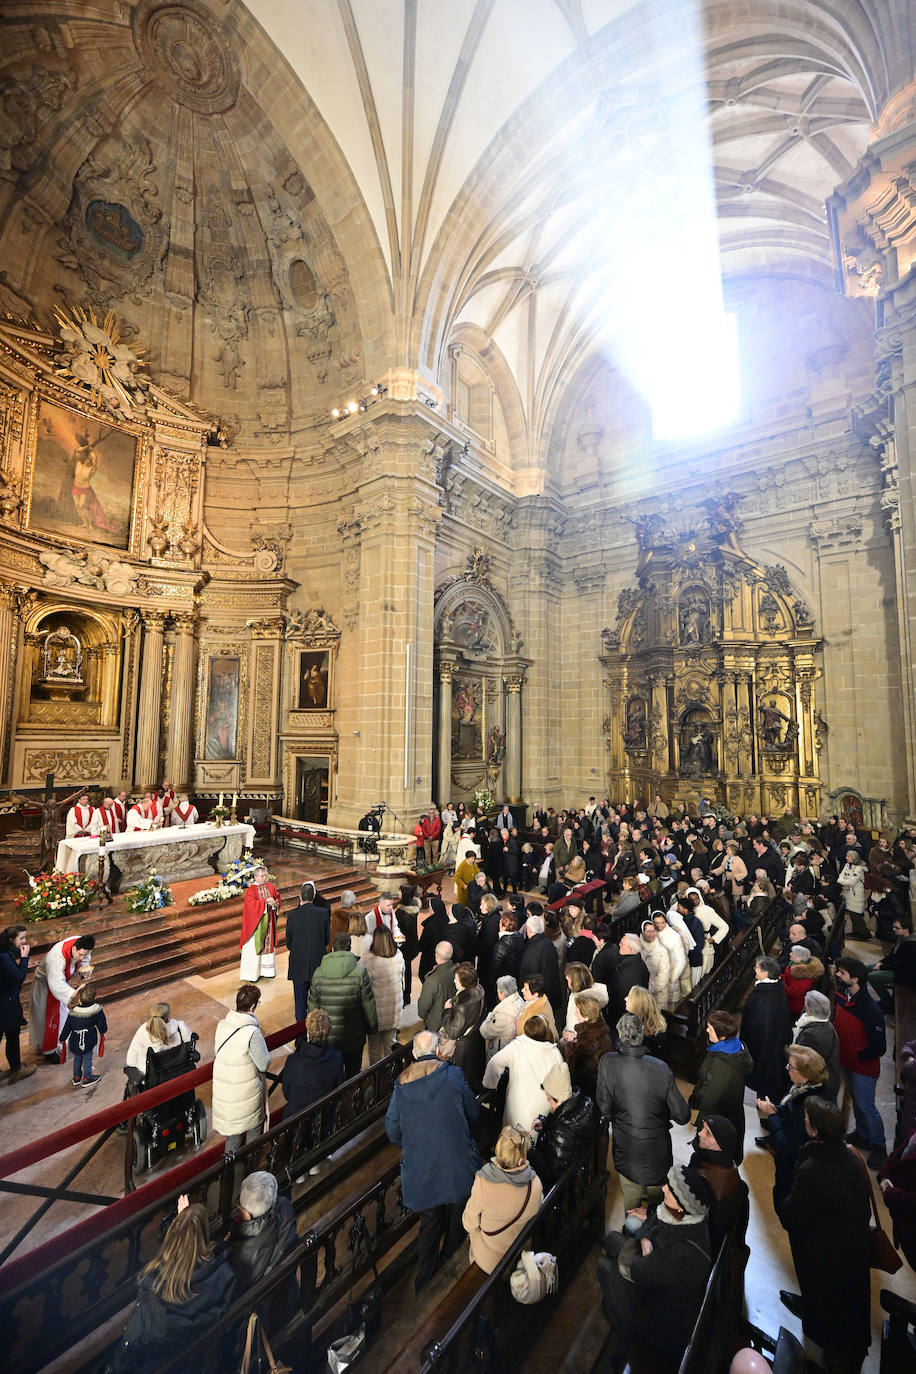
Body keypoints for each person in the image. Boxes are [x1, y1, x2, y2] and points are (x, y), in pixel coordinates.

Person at [778, 1098, 872, 1374]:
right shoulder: (851, 1159)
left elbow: (791, 1212)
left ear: (815, 1130)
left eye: (807, 1118)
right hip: (851, 1250)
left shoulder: (814, 1168)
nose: (804, 1120)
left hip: (826, 1254)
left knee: (830, 1320)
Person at [385, 1029, 481, 1292]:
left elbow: (392, 1131)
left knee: (428, 1226)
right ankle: (449, 1276)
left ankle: (425, 1282)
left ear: (414, 1054)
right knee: (456, 1223)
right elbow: (472, 1113)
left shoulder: (402, 1084)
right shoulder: (452, 1075)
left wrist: (416, 1142)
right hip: (457, 1167)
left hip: (423, 1172)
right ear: (437, 1050)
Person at [597, 1164, 713, 1372]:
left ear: (681, 1206)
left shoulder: (680, 1255)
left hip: (658, 1322)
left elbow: (638, 1270)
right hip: (655, 1278)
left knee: (604, 1267)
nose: (664, 1189)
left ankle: (621, 1328)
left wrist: (643, 1242)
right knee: (614, 1239)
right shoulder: (682, 1217)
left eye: (671, 1190)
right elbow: (651, 1223)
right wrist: (644, 1240)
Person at [110, 1198, 235, 1374]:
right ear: (204, 1236)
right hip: (193, 1361)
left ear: (171, 1239)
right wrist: (187, 1219)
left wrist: (182, 1220)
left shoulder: (154, 1287)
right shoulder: (223, 1271)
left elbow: (134, 1342)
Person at [596, 1012, 690, 1212]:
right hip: (657, 1153)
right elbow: (682, 1115)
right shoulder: (660, 1068)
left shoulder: (607, 1063)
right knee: (657, 1210)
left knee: (631, 1207)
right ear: (642, 1035)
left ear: (620, 1035)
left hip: (626, 1150)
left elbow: (604, 1109)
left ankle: (633, 1237)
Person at [462, 1124, 543, 1273]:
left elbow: (469, 1224)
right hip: (518, 1255)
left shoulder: (483, 1181)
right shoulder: (535, 1184)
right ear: (521, 1156)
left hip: (489, 1261)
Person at [757, 1044, 828, 1208]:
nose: (786, 1067)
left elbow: (787, 1147)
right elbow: (790, 1110)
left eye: (790, 1066)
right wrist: (775, 1109)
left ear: (804, 1074)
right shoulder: (804, 1090)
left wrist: (773, 1117)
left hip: (792, 1171)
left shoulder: (807, 1108)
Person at [227, 1170, 298, 1331]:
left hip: (263, 1321)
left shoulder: (240, 1253)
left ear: (246, 1213)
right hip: (289, 1297)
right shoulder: (285, 1208)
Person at [834, 956, 887, 1168]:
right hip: (846, 1060)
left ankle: (879, 1147)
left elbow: (879, 1045)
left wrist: (859, 1054)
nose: (838, 974)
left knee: (867, 1105)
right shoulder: (842, 994)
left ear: (855, 979)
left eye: (843, 973)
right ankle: (863, 1135)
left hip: (863, 1067)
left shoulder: (870, 1007)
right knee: (856, 1100)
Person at [308, 933, 378, 1078]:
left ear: (332, 949)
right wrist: (372, 1028)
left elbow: (313, 1008)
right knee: (353, 1075)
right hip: (353, 1035)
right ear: (349, 948)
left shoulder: (318, 973)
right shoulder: (360, 973)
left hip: (328, 1036)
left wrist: (314, 1034)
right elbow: (368, 1004)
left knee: (332, 1075)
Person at [688, 1011, 753, 1164]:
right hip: (732, 1113)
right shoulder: (734, 1047)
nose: (706, 1030)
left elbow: (710, 1099)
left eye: (710, 1028)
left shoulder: (723, 1065)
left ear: (721, 1035)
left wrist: (698, 1097)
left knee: (712, 1159)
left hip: (718, 1119)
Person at [212, 984, 270, 1153]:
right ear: (253, 1007)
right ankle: (250, 1172)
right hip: (247, 1096)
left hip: (226, 1094)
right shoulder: (251, 1032)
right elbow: (263, 1064)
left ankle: (229, 1175)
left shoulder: (222, 1025)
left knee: (233, 1138)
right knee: (253, 1132)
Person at [482, 1015, 564, 1133]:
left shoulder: (517, 1046)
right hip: (544, 1110)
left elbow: (495, 1062)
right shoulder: (555, 1053)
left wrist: (490, 1084)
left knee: (514, 1144)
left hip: (518, 1108)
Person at [529, 1060, 602, 1187]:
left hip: (568, 1190)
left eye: (549, 1096)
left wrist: (530, 1149)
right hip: (583, 1174)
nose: (547, 1098)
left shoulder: (561, 1133)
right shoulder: (585, 1104)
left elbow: (550, 1174)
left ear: (559, 1099)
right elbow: (567, 1123)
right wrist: (544, 1123)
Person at [687, 1115, 750, 1256]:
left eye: (708, 1133)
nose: (700, 1133)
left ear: (720, 1145)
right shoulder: (730, 1168)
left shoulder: (704, 1179)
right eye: (703, 1128)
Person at [29, 932, 95, 1062]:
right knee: (49, 1017)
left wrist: (84, 974)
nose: (82, 957)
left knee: (63, 1014)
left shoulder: (83, 945)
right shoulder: (57, 956)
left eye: (85, 954)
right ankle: (50, 1051)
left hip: (61, 984)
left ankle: (61, 1043)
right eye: (80, 954)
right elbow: (56, 983)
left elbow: (84, 962)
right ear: (74, 948)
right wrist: (73, 994)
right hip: (46, 984)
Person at [740, 956, 792, 1105]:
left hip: (764, 1051)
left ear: (765, 973)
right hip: (772, 1047)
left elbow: (762, 1030)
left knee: (764, 1085)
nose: (754, 969)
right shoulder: (777, 987)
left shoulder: (763, 998)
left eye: (756, 967)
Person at [281, 1008, 345, 1120]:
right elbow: (338, 1089)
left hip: (295, 1123)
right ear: (327, 1033)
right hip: (324, 1120)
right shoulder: (336, 1057)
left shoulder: (293, 1060)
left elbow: (286, 1093)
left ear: (308, 1033)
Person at [283, 880, 330, 1023]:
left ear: (300, 896)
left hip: (298, 963)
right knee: (317, 1001)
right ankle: (317, 1030)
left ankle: (300, 1035)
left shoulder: (292, 916)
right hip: (318, 962)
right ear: (314, 895)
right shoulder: (323, 914)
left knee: (300, 1003)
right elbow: (327, 939)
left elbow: (288, 942)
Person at [360, 926, 405, 1063]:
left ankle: (376, 1077)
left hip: (375, 1013)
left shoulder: (368, 960)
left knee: (374, 1047)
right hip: (393, 1009)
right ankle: (390, 1073)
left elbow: (362, 984)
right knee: (390, 1044)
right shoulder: (399, 956)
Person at [439, 962, 486, 1090]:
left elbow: (453, 1033)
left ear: (464, 983)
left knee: (460, 1082)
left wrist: (447, 1011)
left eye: (456, 979)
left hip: (462, 1049)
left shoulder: (462, 1007)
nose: (454, 981)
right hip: (475, 1040)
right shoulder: (479, 990)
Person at [125, 1001, 192, 1089]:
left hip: (153, 1081)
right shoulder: (180, 1027)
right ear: (168, 1016)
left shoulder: (142, 1031)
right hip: (179, 1073)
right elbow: (190, 1048)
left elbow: (131, 1061)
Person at [877, 1124, 916, 1270]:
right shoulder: (913, 1134)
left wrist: (890, 1193)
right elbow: (894, 1157)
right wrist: (884, 1177)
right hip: (904, 1224)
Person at [791, 989, 841, 1102]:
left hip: (817, 1091)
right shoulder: (827, 1025)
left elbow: (802, 1064)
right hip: (829, 1083)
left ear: (808, 1009)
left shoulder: (811, 1035)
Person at [0, 925, 35, 1084]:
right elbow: (18, 978)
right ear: (10, 940)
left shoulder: (5, 952)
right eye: (21, 938)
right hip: (6, 1004)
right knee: (12, 1036)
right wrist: (25, 958)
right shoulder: (4, 956)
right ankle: (16, 1070)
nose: (24, 941)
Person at [560, 992, 612, 1099]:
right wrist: (576, 1037)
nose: (575, 1014)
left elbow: (575, 1069)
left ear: (587, 1017)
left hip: (589, 1093)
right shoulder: (601, 1027)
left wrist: (570, 1045)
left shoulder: (587, 1041)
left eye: (577, 1012)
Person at [58, 981, 106, 1087]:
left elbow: (67, 1027)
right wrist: (102, 1032)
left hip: (74, 1041)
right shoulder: (97, 1010)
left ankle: (76, 1077)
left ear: (79, 1000)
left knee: (77, 1058)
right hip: (88, 1039)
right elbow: (102, 1027)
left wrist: (62, 1038)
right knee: (87, 1058)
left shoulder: (73, 1011)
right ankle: (87, 1078)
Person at [518, 912, 565, 1019]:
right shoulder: (548, 942)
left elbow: (529, 977)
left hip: (539, 998)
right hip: (551, 992)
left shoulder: (531, 951)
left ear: (529, 930)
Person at [239, 865, 280, 981]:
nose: (263, 878)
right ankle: (252, 974)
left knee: (268, 945)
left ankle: (267, 971)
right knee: (254, 947)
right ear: (255, 877)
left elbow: (277, 898)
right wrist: (265, 902)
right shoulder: (251, 890)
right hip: (256, 925)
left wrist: (275, 903)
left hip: (269, 923)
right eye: (261, 876)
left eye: (265, 876)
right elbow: (250, 906)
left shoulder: (270, 886)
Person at [867, 915, 916, 1011]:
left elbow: (901, 965)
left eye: (896, 928)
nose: (894, 929)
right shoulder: (902, 938)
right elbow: (891, 956)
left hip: (905, 974)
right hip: (897, 968)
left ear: (906, 930)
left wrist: (882, 967)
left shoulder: (911, 945)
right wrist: (881, 963)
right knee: (865, 968)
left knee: (872, 977)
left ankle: (888, 1004)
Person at [606, 932, 650, 1027]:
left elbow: (622, 1000)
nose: (619, 945)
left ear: (630, 948)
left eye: (622, 943)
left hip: (625, 1020)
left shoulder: (629, 973)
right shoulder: (636, 961)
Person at [480, 975, 524, 1059]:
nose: (496, 991)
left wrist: (490, 1016)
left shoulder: (503, 1014)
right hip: (512, 1049)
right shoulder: (519, 1000)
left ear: (503, 993)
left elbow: (484, 1031)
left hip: (500, 1052)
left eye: (498, 989)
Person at [417, 940, 455, 1033]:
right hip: (453, 1017)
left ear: (436, 955)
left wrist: (424, 1016)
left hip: (436, 1024)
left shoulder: (432, 979)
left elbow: (423, 1007)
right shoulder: (457, 969)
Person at [780, 944, 826, 1018]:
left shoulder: (805, 975)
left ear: (799, 958)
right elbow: (786, 976)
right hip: (787, 998)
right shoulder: (793, 964)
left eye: (792, 953)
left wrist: (780, 983)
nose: (790, 954)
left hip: (794, 1006)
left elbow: (792, 992)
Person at [638, 918, 671, 1009]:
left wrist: (649, 988)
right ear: (643, 932)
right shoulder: (638, 948)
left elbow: (663, 976)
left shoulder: (662, 952)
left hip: (659, 995)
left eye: (653, 931)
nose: (652, 934)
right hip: (643, 994)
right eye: (648, 931)